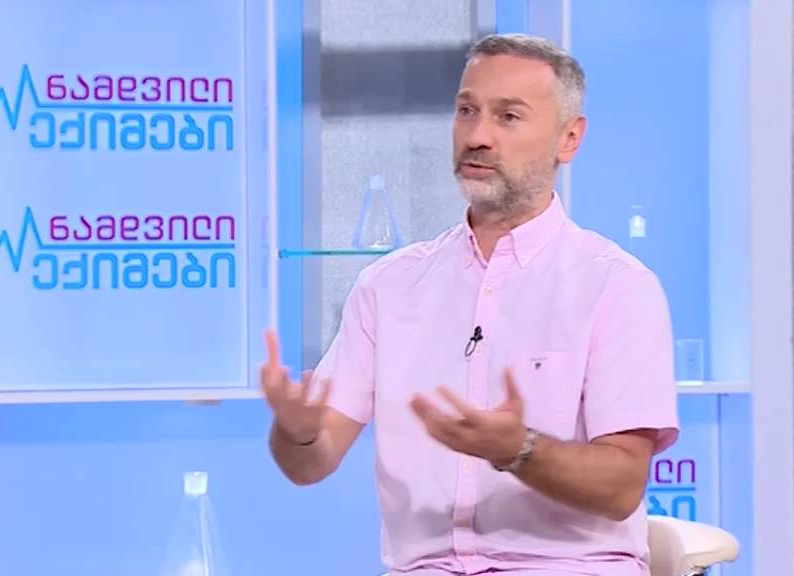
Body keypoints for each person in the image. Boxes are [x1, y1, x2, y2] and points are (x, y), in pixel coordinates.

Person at [261, 33, 679, 576]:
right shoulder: (387, 286)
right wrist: (294, 432)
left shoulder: (616, 286)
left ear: (568, 139)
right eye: (466, 111)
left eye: (508, 117)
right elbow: (309, 465)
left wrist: (518, 449)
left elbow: (621, 486)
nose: (477, 136)